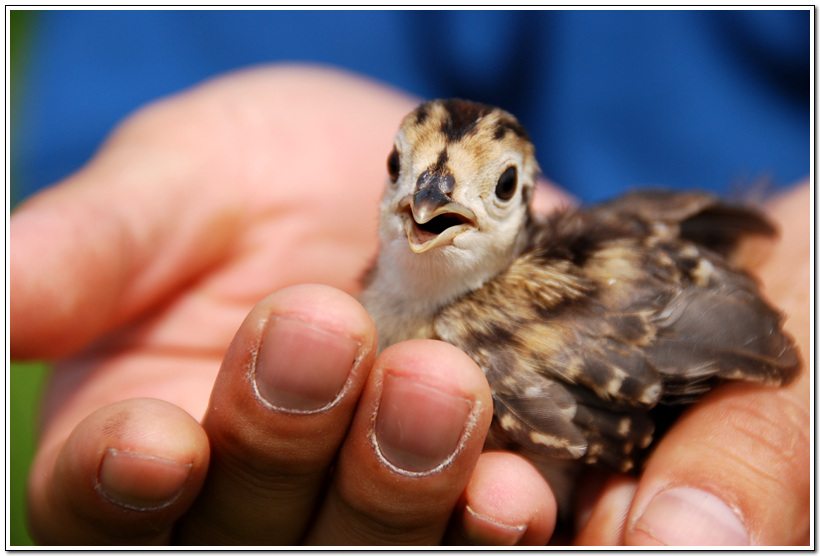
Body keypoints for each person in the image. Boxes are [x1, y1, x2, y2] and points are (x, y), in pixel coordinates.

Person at [11, 12, 809, 546]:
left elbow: (734, 334)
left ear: (524, 201)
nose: (429, 200)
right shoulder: (368, 309)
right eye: (407, 170)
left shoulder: (532, 340)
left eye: (491, 187)